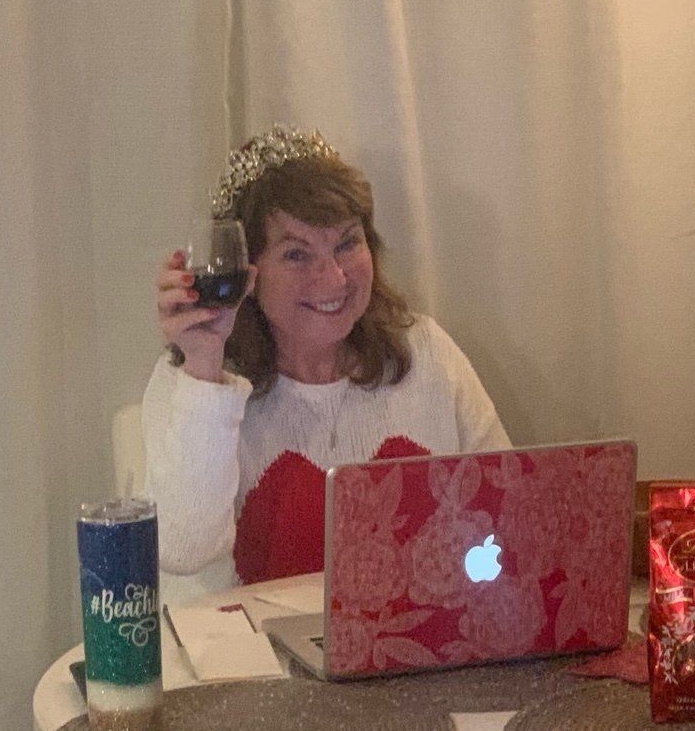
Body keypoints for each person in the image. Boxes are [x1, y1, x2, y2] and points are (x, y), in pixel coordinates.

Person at [144, 125, 511, 599]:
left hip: (424, 657)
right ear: (247, 271)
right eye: (297, 254)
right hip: (259, 663)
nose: (335, 277)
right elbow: (182, 551)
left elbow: (508, 510)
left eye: (347, 244)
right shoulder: (191, 380)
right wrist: (205, 366)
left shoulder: (427, 352)